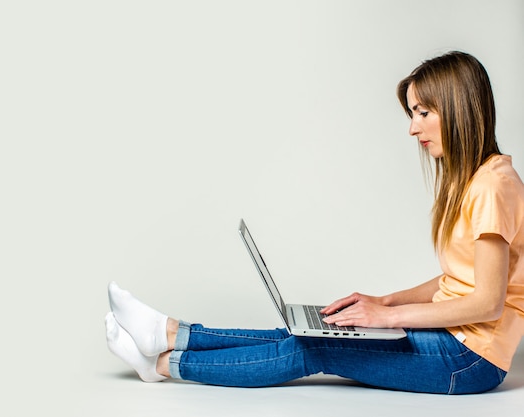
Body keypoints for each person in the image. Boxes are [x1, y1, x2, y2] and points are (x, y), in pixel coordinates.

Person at [105, 51, 524, 394]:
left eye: (423, 112)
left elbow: (486, 302)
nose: (413, 128)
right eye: (412, 114)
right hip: (457, 342)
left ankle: (162, 364)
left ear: (456, 109)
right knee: (302, 332)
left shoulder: (492, 186)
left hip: (470, 360)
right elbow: (458, 279)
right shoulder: (476, 181)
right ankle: (171, 333)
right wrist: (384, 302)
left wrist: (386, 319)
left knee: (314, 348)